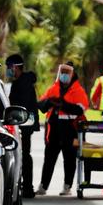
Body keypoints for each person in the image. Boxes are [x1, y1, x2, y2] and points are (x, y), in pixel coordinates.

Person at [37, 62, 89, 196]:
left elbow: (80, 109)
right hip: (54, 129)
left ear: (72, 75)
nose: (64, 75)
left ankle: (67, 186)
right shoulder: (53, 88)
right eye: (62, 72)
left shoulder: (78, 91)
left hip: (70, 129)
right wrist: (50, 102)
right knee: (49, 158)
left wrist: (63, 105)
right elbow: (41, 105)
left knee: (70, 159)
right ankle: (43, 186)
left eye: (67, 73)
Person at [5, 54, 39, 198]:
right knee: (24, 155)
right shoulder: (21, 81)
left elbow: (21, 105)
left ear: (15, 67)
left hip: (24, 124)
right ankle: (26, 186)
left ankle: (28, 188)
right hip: (23, 123)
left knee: (24, 155)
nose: (7, 70)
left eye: (9, 67)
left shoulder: (23, 83)